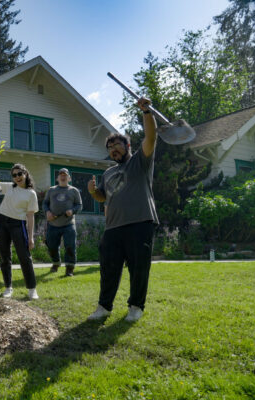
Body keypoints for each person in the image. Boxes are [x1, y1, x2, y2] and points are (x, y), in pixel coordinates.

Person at [86, 97, 159, 323]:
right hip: (113, 227)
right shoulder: (108, 173)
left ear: (127, 146)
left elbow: (151, 137)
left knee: (138, 269)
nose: (112, 150)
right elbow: (104, 196)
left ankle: (136, 306)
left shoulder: (139, 162)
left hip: (140, 222)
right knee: (108, 269)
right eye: (109, 148)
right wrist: (93, 192)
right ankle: (104, 306)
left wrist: (147, 112)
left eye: (116, 145)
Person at [0, 163, 40, 300]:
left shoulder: (31, 194)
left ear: (25, 174)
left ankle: (32, 289)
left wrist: (31, 237)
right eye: (14, 175)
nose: (17, 177)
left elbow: (30, 216)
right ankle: (8, 287)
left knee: (24, 257)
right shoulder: (9, 187)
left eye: (19, 174)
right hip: (1, 222)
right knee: (4, 257)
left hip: (18, 224)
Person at [43, 168, 82, 277]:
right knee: (51, 246)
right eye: (61, 175)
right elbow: (45, 204)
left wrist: (72, 211)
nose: (63, 176)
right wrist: (47, 212)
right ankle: (56, 263)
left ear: (69, 178)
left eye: (65, 175)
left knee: (70, 246)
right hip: (53, 224)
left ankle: (69, 269)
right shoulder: (51, 190)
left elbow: (79, 205)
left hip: (69, 224)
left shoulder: (74, 191)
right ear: (57, 178)